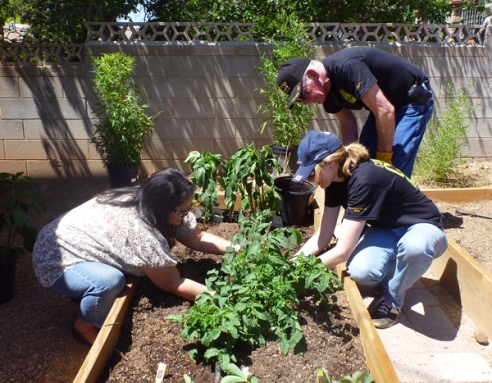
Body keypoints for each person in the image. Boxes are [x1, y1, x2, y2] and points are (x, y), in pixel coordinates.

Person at [32, 168, 237, 345]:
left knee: (117, 272)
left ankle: (84, 293)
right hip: (55, 259)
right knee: (109, 281)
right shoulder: (141, 230)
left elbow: (196, 237)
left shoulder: (151, 201)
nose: (186, 216)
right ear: (161, 207)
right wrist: (218, 298)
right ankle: (83, 327)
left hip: (78, 241)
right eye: (182, 212)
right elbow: (172, 282)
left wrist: (237, 249)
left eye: (188, 209)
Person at [292, 130, 448, 328]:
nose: (312, 180)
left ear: (330, 162)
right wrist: (292, 263)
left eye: (312, 173)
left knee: (416, 248)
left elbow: (342, 252)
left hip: (423, 227)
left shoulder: (364, 179)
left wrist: (300, 272)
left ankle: (392, 300)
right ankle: (401, 268)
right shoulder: (335, 179)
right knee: (360, 272)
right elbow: (323, 237)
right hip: (388, 227)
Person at [276, 47, 434, 178]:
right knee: (365, 160)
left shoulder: (346, 66)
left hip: (411, 102)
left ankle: (397, 211)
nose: (305, 102)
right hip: (384, 108)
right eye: (299, 100)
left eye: (302, 94)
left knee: (393, 169)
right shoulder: (327, 96)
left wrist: (385, 159)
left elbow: (385, 111)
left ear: (312, 75)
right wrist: (346, 160)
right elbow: (347, 124)